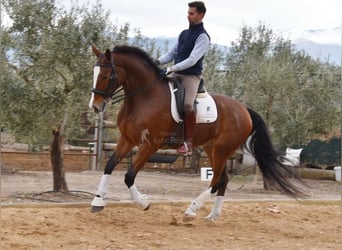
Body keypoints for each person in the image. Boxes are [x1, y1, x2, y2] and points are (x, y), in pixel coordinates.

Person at [156, 1, 210, 154]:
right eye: (188, 13)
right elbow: (172, 54)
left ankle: (188, 142)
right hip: (176, 72)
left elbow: (192, 60)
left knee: (187, 105)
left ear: (201, 15)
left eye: (192, 14)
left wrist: (171, 68)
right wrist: (156, 61)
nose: (188, 16)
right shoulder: (183, 34)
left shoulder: (203, 37)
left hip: (191, 76)